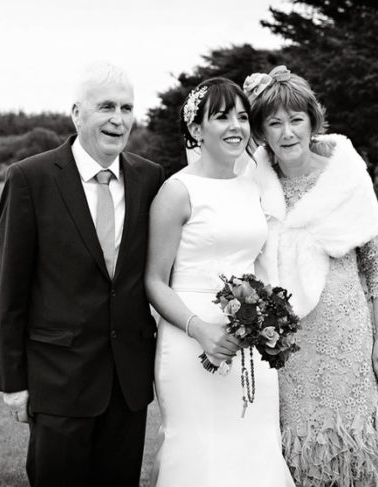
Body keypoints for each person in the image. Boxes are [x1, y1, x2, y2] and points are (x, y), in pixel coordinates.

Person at [0, 61, 164, 487]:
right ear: (77, 113)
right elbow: (8, 291)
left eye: (126, 107)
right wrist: (13, 383)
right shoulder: (30, 179)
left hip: (128, 384)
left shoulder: (150, 178)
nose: (118, 119)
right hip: (59, 380)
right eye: (106, 106)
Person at [244, 65, 378, 486]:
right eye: (274, 123)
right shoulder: (253, 184)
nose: (287, 132)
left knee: (352, 447)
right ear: (261, 132)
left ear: (313, 121)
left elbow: (377, 264)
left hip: (345, 336)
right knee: (295, 451)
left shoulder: (346, 178)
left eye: (296, 119)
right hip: (285, 345)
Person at [145, 77, 295, 486]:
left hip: (250, 344)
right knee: (198, 449)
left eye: (243, 117)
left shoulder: (253, 187)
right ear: (196, 129)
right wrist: (202, 330)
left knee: (254, 445)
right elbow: (154, 282)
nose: (236, 126)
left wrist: (269, 321)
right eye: (222, 116)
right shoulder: (176, 191)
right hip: (189, 338)